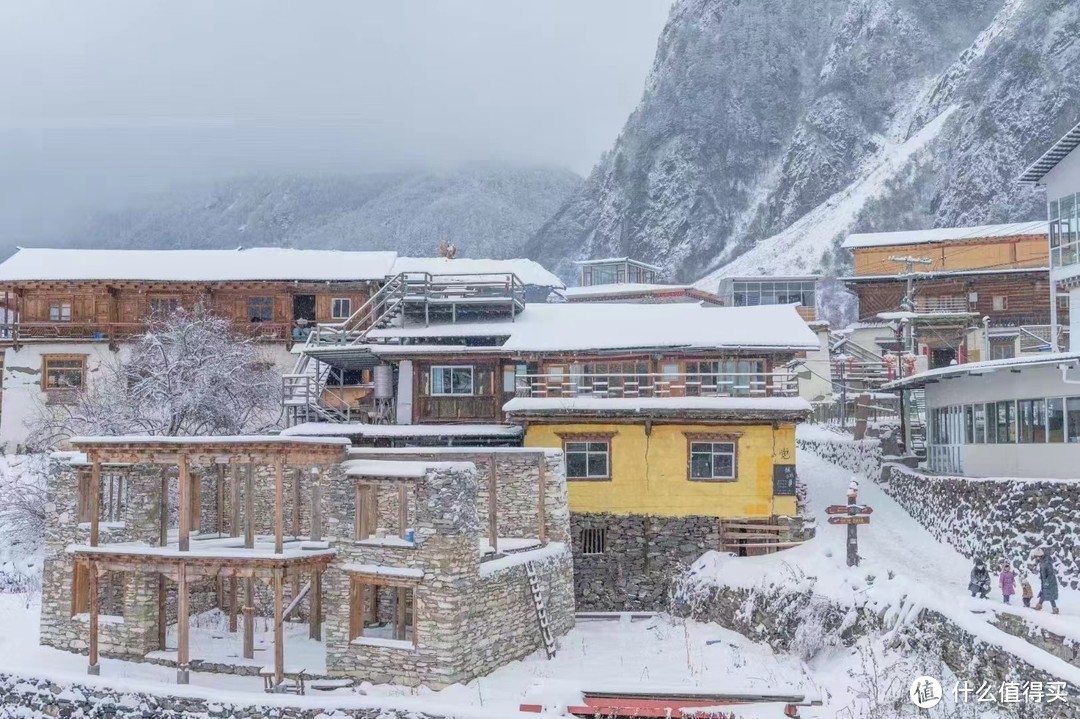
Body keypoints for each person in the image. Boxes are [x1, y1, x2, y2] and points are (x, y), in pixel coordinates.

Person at [1034, 549, 1060, 614]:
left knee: (1050, 595)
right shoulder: (1042, 562)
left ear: (1040, 556)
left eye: (1036, 556)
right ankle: (1039, 606)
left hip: (1050, 582)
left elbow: (1050, 573)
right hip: (1045, 581)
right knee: (1043, 593)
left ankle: (1055, 609)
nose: (1036, 558)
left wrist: (1047, 582)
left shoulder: (1047, 562)